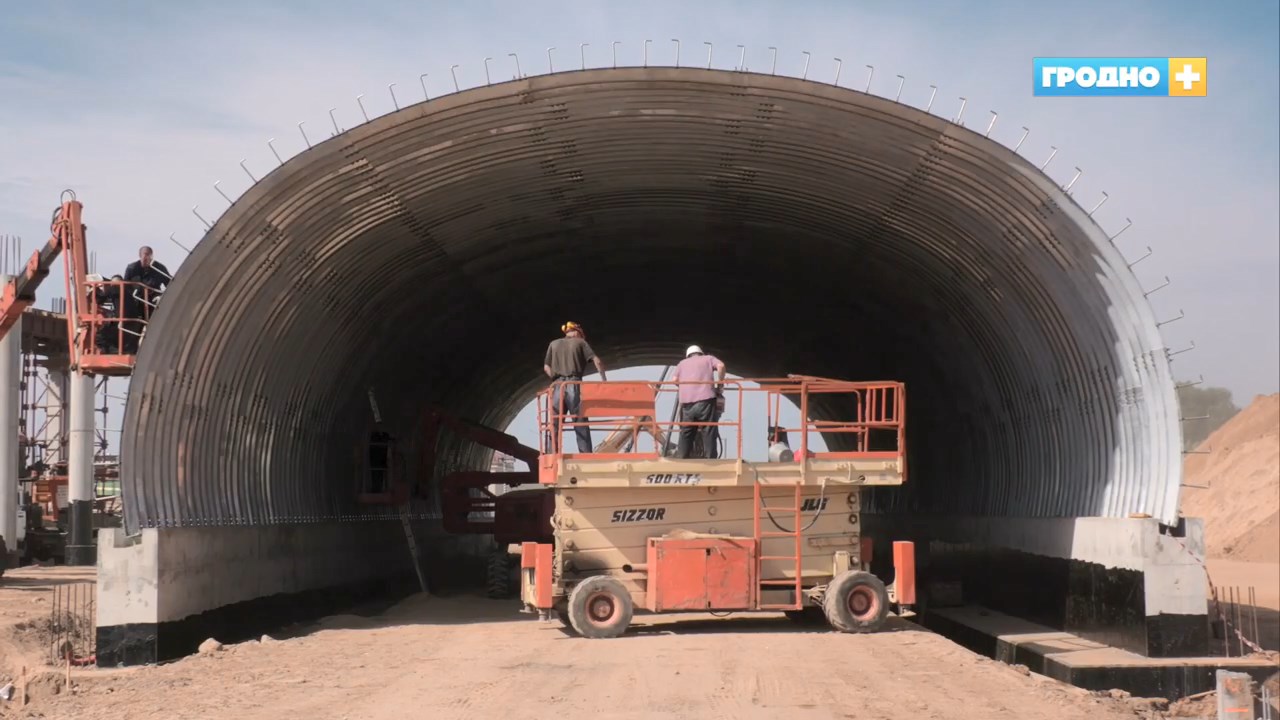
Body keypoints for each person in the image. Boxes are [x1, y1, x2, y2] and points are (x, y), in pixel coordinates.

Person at [543, 321, 607, 453]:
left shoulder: (553, 344)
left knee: (555, 423)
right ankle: (585, 455)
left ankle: (552, 454)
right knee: (580, 422)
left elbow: (546, 367)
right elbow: (597, 361)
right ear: (577, 332)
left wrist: (555, 378)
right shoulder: (580, 342)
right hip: (574, 385)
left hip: (557, 387)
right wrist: (604, 381)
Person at [671, 345, 727, 459]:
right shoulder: (708, 358)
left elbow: (674, 380)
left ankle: (682, 458)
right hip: (705, 401)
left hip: (687, 404)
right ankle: (711, 459)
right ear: (700, 353)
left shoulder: (682, 363)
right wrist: (720, 384)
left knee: (686, 432)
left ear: (688, 355)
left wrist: (684, 388)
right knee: (709, 429)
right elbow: (721, 366)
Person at [121, 246, 172, 353]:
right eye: (144, 255)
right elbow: (125, 286)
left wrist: (161, 296)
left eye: (148, 256)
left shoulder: (159, 268)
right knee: (134, 326)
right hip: (137, 302)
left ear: (151, 256)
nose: (146, 258)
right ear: (140, 256)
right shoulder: (132, 268)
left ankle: (158, 350)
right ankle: (131, 351)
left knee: (156, 327)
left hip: (153, 302)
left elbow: (170, 284)